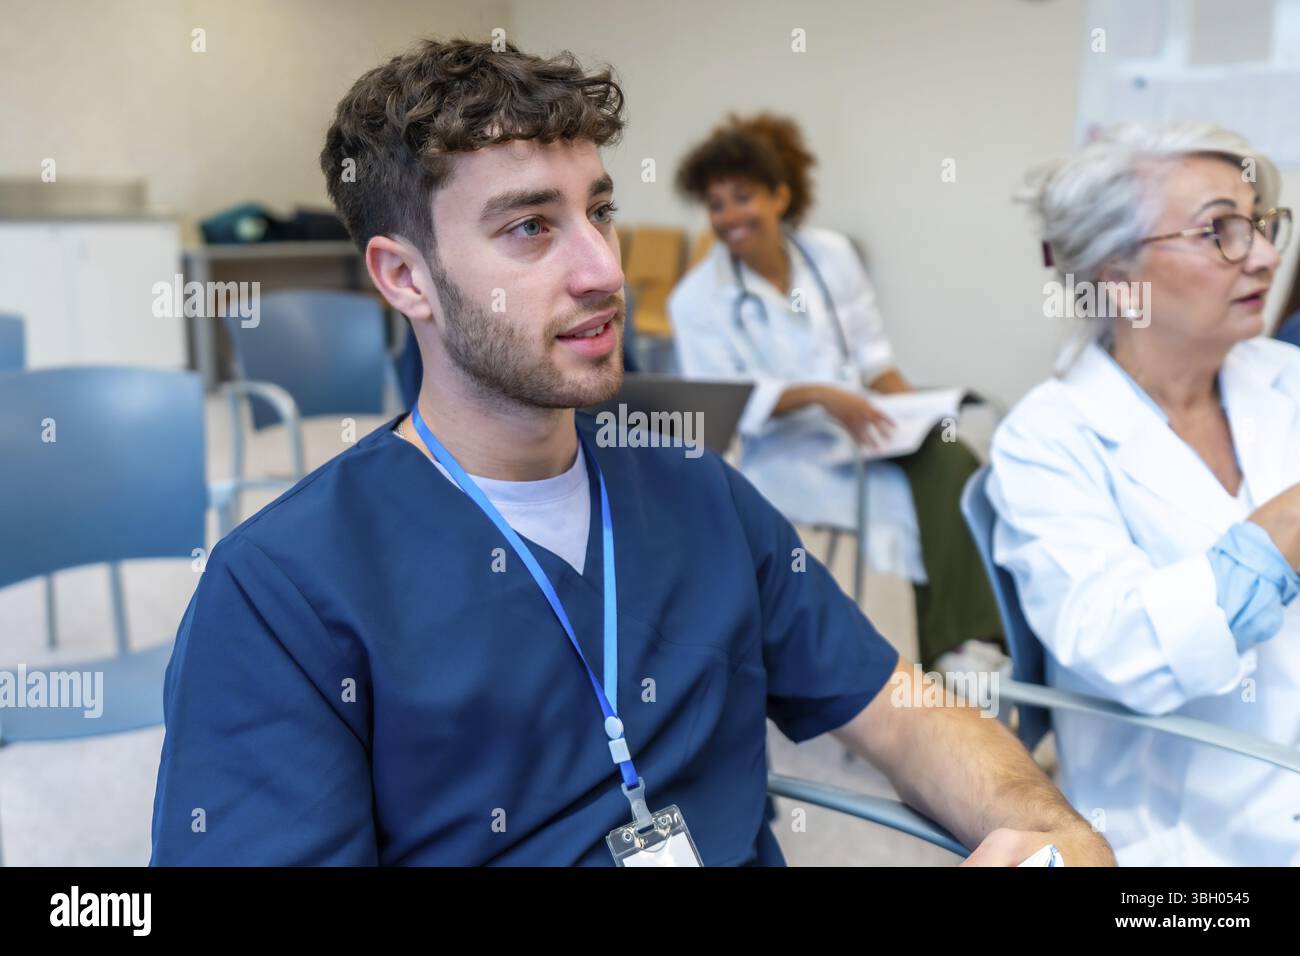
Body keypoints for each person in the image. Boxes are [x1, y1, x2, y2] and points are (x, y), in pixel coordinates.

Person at [150, 38, 1113, 867]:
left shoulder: (694, 490)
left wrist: (1044, 825)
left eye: (599, 212)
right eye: (532, 227)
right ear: (406, 278)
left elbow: (896, 707)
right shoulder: (282, 592)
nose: (604, 270)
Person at [989, 121, 1300, 865]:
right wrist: (1285, 524)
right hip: (1195, 827)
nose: (1263, 255)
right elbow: (1123, 647)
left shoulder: (1278, 379)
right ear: (1113, 269)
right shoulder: (1047, 439)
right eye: (1220, 231)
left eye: (1261, 225)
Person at [667, 114, 1004, 672]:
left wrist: (918, 410)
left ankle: (965, 645)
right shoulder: (697, 299)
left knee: (955, 453)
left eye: (742, 197)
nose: (728, 217)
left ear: (780, 196)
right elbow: (729, 401)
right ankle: (962, 648)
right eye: (716, 204)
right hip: (785, 456)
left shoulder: (831, 257)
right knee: (938, 487)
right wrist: (821, 395)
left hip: (862, 427)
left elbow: (873, 358)